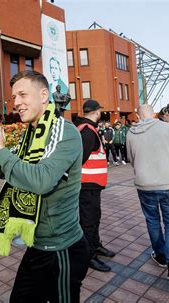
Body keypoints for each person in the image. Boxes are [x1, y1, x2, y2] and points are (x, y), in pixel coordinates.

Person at [0, 71, 89, 303]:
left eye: (23, 94)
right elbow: (5, 170)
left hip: (62, 249)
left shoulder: (64, 131)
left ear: (44, 94)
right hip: (37, 245)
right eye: (14, 97)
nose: (16, 102)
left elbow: (41, 180)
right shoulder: (30, 135)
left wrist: (0, 150)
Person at [126, 104, 169, 288]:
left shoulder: (130, 133)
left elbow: (131, 159)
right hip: (166, 183)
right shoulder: (167, 128)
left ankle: (160, 255)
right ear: (152, 114)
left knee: (152, 221)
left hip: (144, 185)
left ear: (138, 114)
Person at [74, 100, 115, 273]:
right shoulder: (88, 131)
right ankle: (88, 256)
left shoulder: (85, 128)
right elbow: (79, 160)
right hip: (87, 185)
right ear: (96, 112)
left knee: (94, 217)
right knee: (88, 221)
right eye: (100, 111)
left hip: (91, 185)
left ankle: (96, 245)